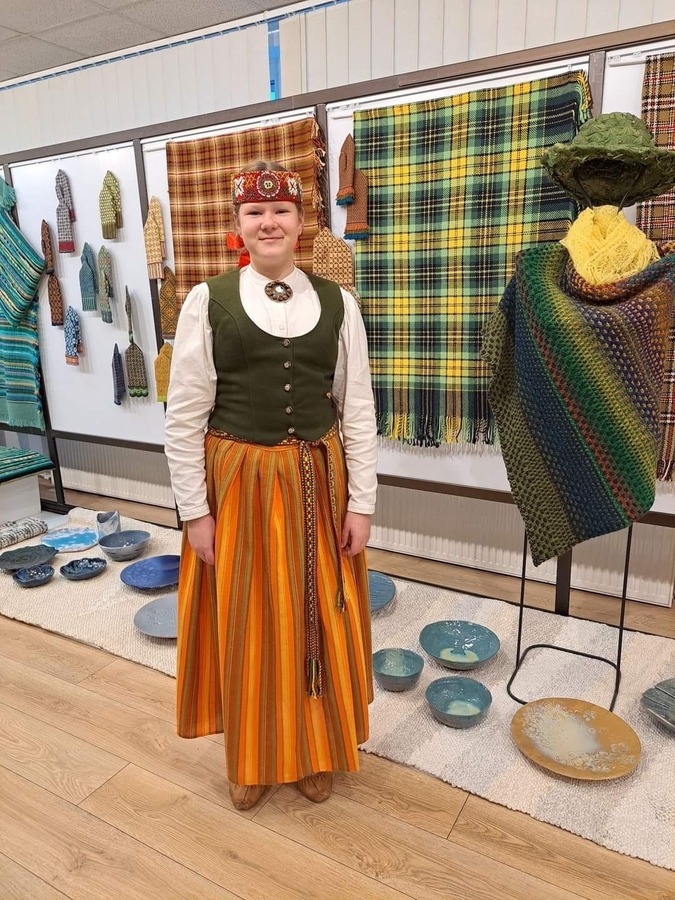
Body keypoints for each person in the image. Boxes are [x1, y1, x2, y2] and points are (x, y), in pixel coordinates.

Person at [164, 161, 377, 812]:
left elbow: (357, 409)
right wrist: (195, 513)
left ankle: (313, 752)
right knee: (249, 621)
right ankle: (252, 757)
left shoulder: (338, 303)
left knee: (316, 617)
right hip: (240, 484)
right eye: (255, 213)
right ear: (238, 225)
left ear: (301, 220)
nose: (269, 222)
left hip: (317, 481)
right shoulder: (208, 301)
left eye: (281, 210)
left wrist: (362, 503)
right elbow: (183, 416)